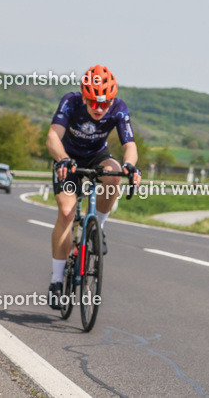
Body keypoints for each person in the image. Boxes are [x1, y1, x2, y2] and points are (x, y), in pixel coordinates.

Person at [46, 64, 140, 309]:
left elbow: (129, 144)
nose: (99, 108)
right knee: (66, 212)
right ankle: (56, 280)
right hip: (68, 158)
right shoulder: (70, 102)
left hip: (97, 156)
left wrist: (130, 165)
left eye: (105, 103)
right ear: (84, 97)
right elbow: (53, 136)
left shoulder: (119, 108)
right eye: (93, 103)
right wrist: (62, 159)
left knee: (114, 176)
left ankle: (98, 226)